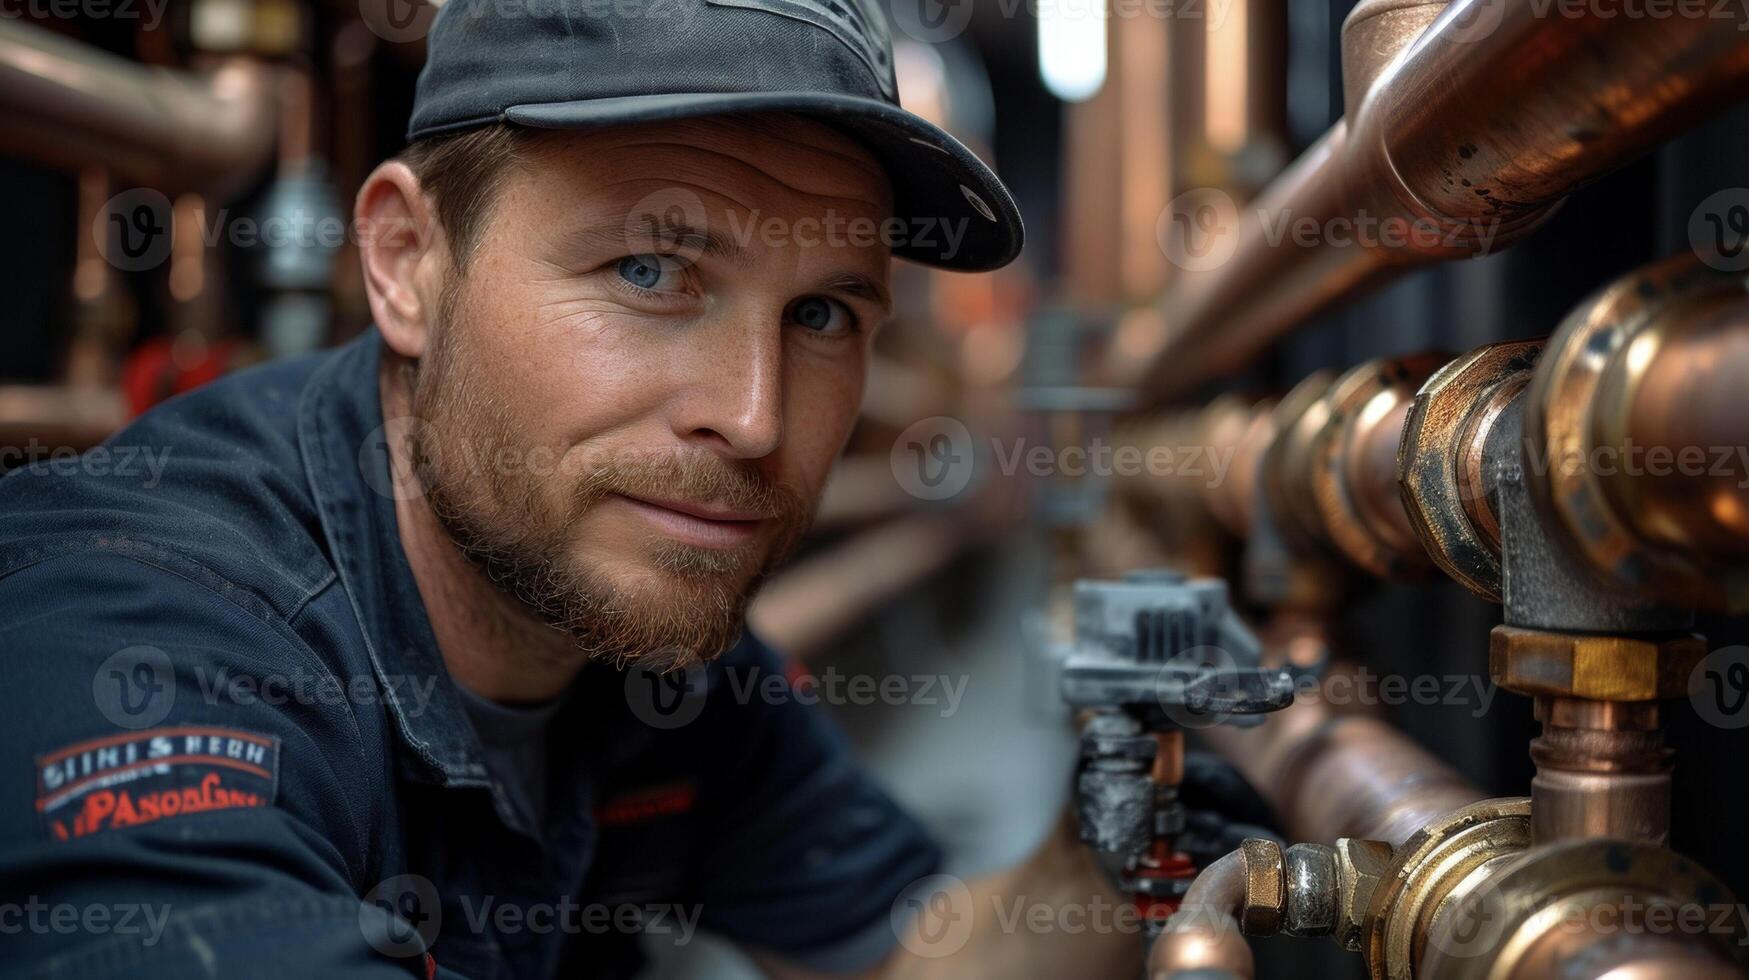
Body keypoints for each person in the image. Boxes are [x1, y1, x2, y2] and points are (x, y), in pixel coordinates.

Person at [0, 0, 1141, 976]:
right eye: (649, 270)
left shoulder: (647, 639)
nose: (754, 416)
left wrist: (1132, 826)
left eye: (821, 313)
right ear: (406, 262)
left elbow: (910, 951)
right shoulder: (143, 649)